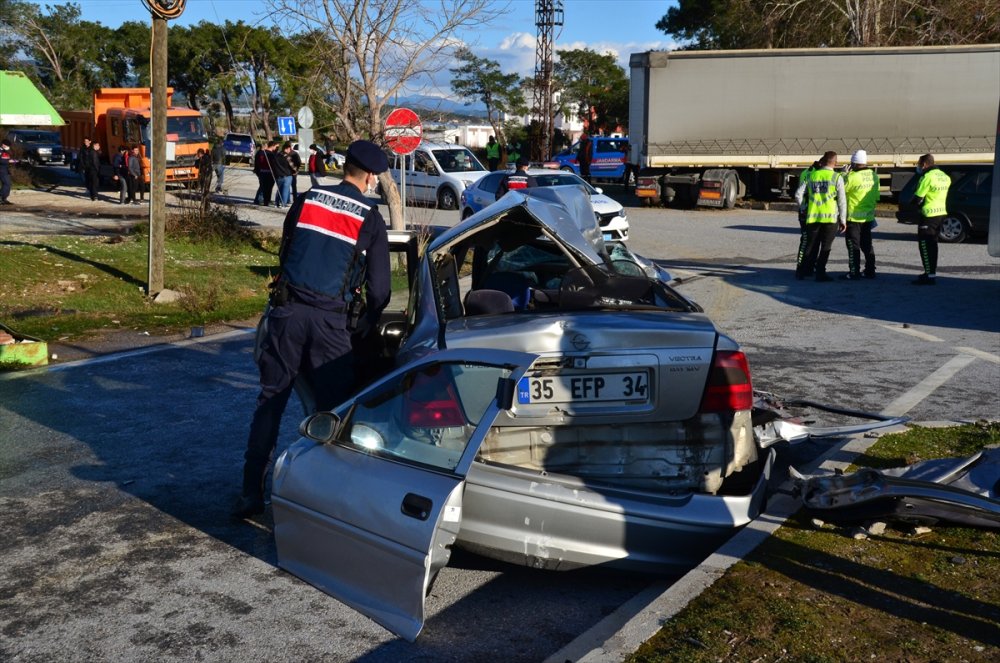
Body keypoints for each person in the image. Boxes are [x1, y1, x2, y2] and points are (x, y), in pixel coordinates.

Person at [233, 140, 392, 520]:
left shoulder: (306, 200)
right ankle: (326, 501)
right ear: (370, 177)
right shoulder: (370, 218)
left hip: (286, 315)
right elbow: (380, 291)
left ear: (345, 168)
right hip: (330, 326)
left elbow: (286, 253)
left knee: (271, 402)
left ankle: (250, 493)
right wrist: (365, 324)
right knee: (332, 413)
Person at [794, 150, 846, 282]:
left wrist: (803, 208)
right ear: (835, 163)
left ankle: (802, 271)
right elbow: (842, 201)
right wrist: (843, 220)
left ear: (823, 161)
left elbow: (798, 194)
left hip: (813, 217)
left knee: (810, 245)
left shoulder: (812, 175)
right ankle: (820, 273)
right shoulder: (837, 177)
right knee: (826, 247)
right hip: (830, 218)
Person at [910, 153, 951, 285]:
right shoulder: (944, 176)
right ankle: (931, 272)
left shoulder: (927, 177)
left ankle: (929, 275)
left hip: (928, 215)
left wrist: (913, 205)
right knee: (933, 244)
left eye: (919, 164)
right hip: (941, 213)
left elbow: (918, 197)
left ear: (924, 164)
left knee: (925, 245)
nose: (918, 167)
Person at [841, 149, 878, 280]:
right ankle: (870, 270)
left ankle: (854, 271)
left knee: (853, 246)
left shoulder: (851, 177)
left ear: (854, 163)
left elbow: (840, 190)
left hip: (854, 217)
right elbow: (876, 196)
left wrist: (843, 174)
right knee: (867, 245)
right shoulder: (874, 176)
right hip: (868, 217)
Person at [272, 142, 295, 207]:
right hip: (287, 175)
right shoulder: (287, 157)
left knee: (279, 190)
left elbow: (273, 165)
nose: (290, 151)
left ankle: (277, 203)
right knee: (285, 190)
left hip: (278, 175)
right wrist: (295, 171)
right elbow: (292, 166)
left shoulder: (276, 156)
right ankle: (283, 204)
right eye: (289, 149)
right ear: (286, 149)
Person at [253, 142, 274, 206]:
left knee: (262, 186)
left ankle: (259, 199)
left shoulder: (259, 153)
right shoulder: (262, 153)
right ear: (265, 146)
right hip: (262, 171)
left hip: (261, 171)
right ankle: (259, 199)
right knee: (263, 186)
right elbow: (259, 163)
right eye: (267, 146)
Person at [0, 137, 13, 205]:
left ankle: (4, 198)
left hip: (6, 169)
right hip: (1, 169)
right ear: (3, 144)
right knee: (6, 183)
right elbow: (1, 160)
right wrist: (8, 161)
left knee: (8, 184)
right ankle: (1, 197)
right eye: (7, 145)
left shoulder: (6, 151)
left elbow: (8, 157)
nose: (8, 147)